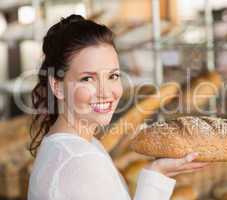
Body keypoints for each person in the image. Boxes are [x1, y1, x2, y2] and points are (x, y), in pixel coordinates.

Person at [27, 14, 207, 200]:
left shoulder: (71, 145)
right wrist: (156, 177)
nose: (106, 92)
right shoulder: (81, 160)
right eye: (88, 78)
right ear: (57, 86)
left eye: (113, 76)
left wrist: (158, 173)